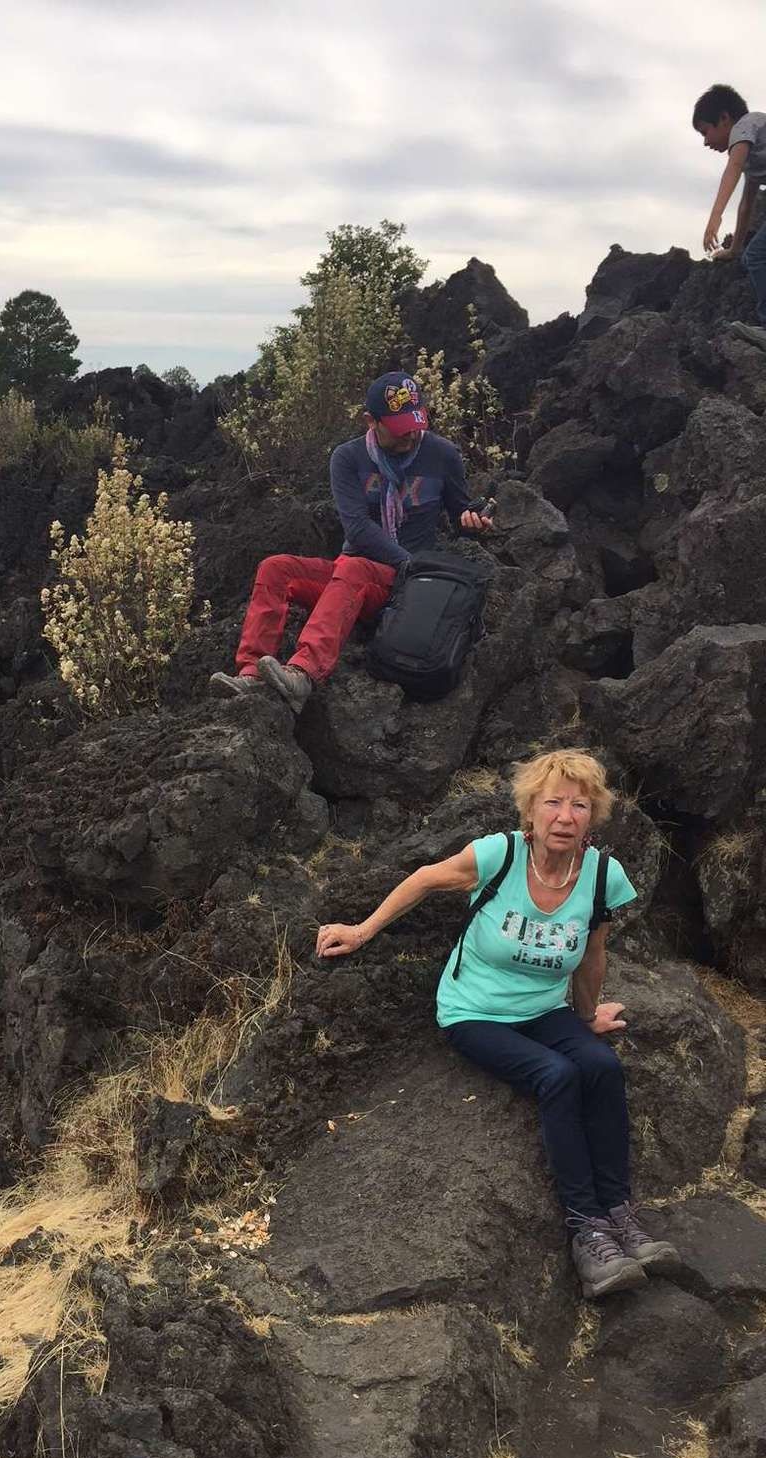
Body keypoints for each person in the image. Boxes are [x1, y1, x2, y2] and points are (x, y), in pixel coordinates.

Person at [315, 748, 680, 1299]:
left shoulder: (603, 874)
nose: (565, 816)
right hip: (475, 1012)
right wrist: (363, 931)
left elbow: (592, 952)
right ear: (530, 811)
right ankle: (587, 1231)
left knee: (600, 1065)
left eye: (579, 805)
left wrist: (586, 1017)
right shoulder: (498, 856)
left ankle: (619, 1215)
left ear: (593, 816)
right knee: (557, 1076)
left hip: (545, 1009)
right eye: (552, 802)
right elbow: (423, 879)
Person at [209, 372, 493, 714]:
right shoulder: (347, 457)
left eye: (416, 424)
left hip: (407, 584)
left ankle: (303, 673)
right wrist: (407, 561)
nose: (412, 436)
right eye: (401, 428)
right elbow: (357, 529)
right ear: (370, 421)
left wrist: (472, 521)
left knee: (355, 569)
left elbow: (461, 511)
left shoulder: (443, 454)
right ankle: (252, 675)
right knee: (275, 569)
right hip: (358, 571)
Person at [693, 83, 766, 351]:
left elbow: (733, 167)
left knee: (758, 256)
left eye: (705, 131)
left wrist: (715, 217)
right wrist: (734, 250)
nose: (705, 141)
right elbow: (747, 204)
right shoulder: (754, 154)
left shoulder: (747, 124)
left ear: (724, 118)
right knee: (752, 255)